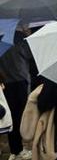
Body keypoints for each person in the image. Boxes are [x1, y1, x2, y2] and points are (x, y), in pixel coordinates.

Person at [0, 31, 33, 160]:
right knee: (21, 115)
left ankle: (15, 149)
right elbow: (29, 55)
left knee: (10, 115)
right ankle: (19, 150)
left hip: (4, 82)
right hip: (19, 81)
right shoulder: (19, 37)